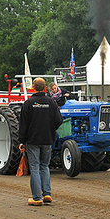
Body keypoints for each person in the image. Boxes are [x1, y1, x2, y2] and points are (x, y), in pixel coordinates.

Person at [19, 77, 63, 206]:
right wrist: (50, 129)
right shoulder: (52, 103)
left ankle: (37, 197)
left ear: (33, 87)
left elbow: (23, 125)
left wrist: (22, 141)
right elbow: (59, 120)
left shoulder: (28, 103)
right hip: (47, 139)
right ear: (45, 88)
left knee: (34, 167)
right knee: (44, 166)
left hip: (32, 140)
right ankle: (47, 194)